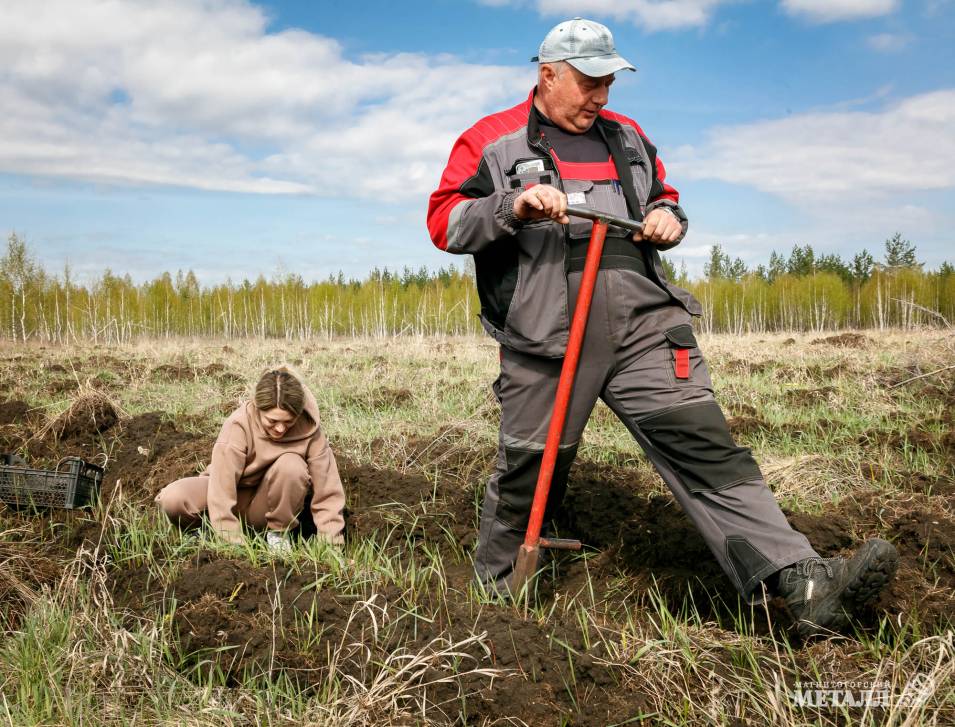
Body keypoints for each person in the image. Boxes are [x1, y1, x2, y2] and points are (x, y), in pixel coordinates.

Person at [426, 18, 898, 637]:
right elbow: (445, 223)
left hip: (644, 327)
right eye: (590, 81)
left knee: (709, 453)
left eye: (609, 82)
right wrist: (510, 206)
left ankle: (803, 583)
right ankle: (495, 611)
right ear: (547, 75)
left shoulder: (629, 137)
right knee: (528, 470)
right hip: (548, 340)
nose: (602, 95)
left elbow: (664, 197)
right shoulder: (490, 140)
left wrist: (670, 217)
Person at [155, 366, 345, 551]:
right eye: (272, 421)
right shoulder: (238, 424)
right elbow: (222, 487)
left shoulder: (310, 429)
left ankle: (277, 535)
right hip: (233, 495)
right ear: (257, 408)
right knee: (173, 498)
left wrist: (332, 546)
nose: (280, 428)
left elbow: (327, 491)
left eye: (288, 421)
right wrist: (231, 541)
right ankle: (207, 532)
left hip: (269, 504)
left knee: (292, 465)